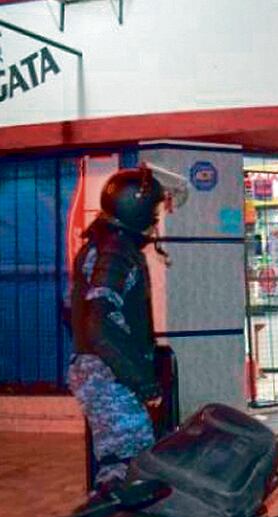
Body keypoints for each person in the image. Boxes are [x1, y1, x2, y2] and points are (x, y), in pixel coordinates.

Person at [68, 166, 176, 493]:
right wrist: (145, 383)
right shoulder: (115, 254)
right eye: (153, 211)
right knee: (126, 474)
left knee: (122, 468)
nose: (155, 220)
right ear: (137, 210)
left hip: (104, 371)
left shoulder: (102, 246)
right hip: (109, 375)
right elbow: (100, 324)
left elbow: (74, 309)